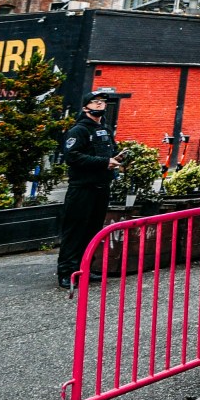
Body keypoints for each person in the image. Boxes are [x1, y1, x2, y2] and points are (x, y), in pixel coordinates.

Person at [55, 89, 122, 288]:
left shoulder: (106, 130)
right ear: (85, 108)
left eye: (102, 101)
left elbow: (113, 151)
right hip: (82, 188)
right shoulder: (78, 131)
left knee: (93, 231)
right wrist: (104, 162)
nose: (100, 104)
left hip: (102, 187)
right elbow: (73, 156)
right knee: (75, 231)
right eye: (95, 102)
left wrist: (119, 158)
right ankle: (66, 272)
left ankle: (85, 269)